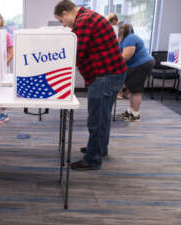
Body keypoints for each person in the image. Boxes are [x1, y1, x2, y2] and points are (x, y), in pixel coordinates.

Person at [54, 0, 126, 170]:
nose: (64, 25)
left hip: (104, 76)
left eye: (61, 21)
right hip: (111, 74)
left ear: (66, 13)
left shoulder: (84, 22)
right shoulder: (88, 17)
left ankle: (92, 159)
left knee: (96, 119)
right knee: (103, 116)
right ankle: (99, 148)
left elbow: (76, 53)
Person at [116, 24, 155, 122]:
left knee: (136, 90)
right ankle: (130, 112)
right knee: (131, 89)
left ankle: (135, 115)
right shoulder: (124, 40)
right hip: (135, 66)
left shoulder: (130, 38)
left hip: (142, 64)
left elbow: (126, 56)